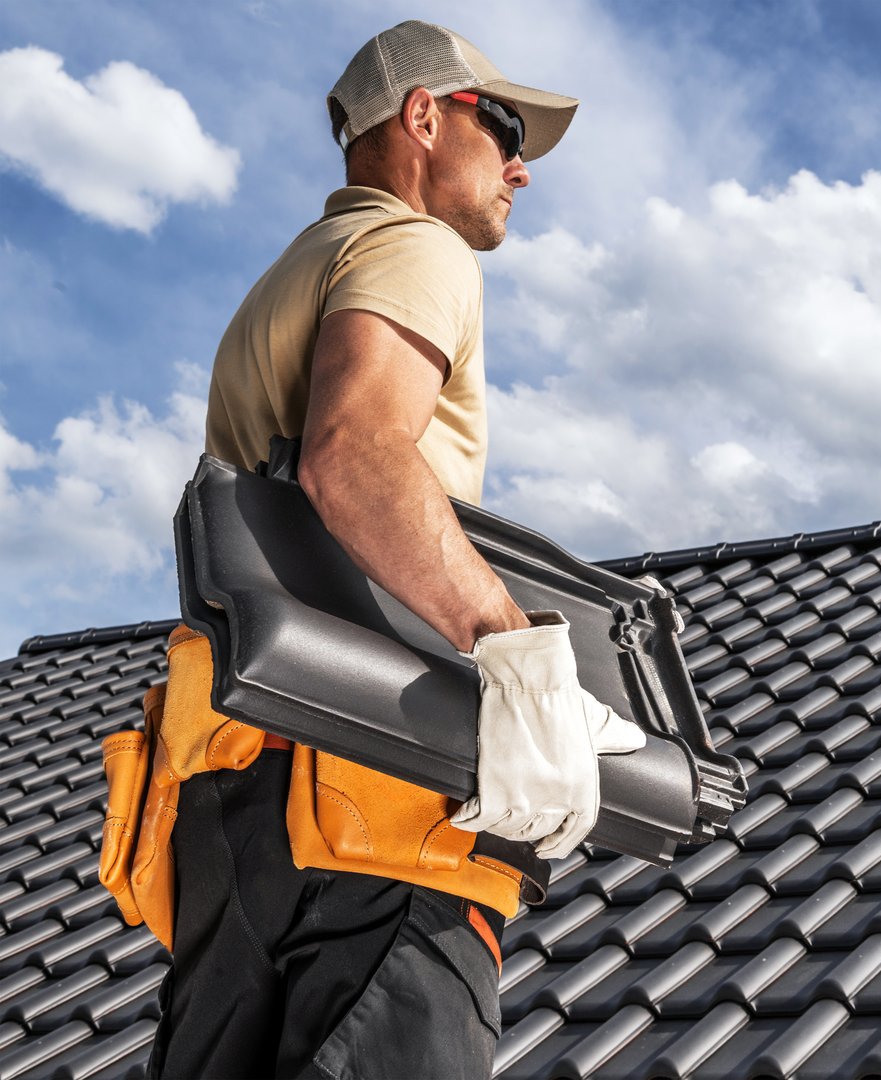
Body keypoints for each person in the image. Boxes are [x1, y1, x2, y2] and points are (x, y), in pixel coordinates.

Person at [140, 21, 644, 1078]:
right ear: (425, 116)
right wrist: (522, 661)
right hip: (372, 802)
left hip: (235, 800)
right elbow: (357, 456)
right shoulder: (418, 247)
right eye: (503, 127)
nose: (520, 169)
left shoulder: (290, 277)